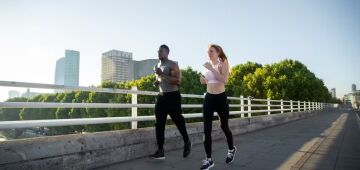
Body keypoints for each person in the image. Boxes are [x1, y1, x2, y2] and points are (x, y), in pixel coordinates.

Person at [149, 44, 192, 159]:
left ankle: (187, 141)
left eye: (161, 51)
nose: (159, 53)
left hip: (173, 96)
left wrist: (161, 74)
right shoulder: (157, 65)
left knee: (178, 120)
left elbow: (177, 81)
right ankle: (160, 150)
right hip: (161, 97)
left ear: (167, 53)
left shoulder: (173, 64)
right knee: (159, 124)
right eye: (158, 51)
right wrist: (157, 82)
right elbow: (160, 79)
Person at [199, 44, 236, 170]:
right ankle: (209, 160)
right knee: (206, 129)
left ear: (218, 52)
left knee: (224, 126)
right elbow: (207, 81)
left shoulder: (223, 63)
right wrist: (203, 80)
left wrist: (212, 69)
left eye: (211, 51)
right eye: (208, 51)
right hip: (209, 98)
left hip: (220, 98)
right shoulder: (207, 66)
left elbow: (224, 80)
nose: (209, 53)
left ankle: (231, 149)